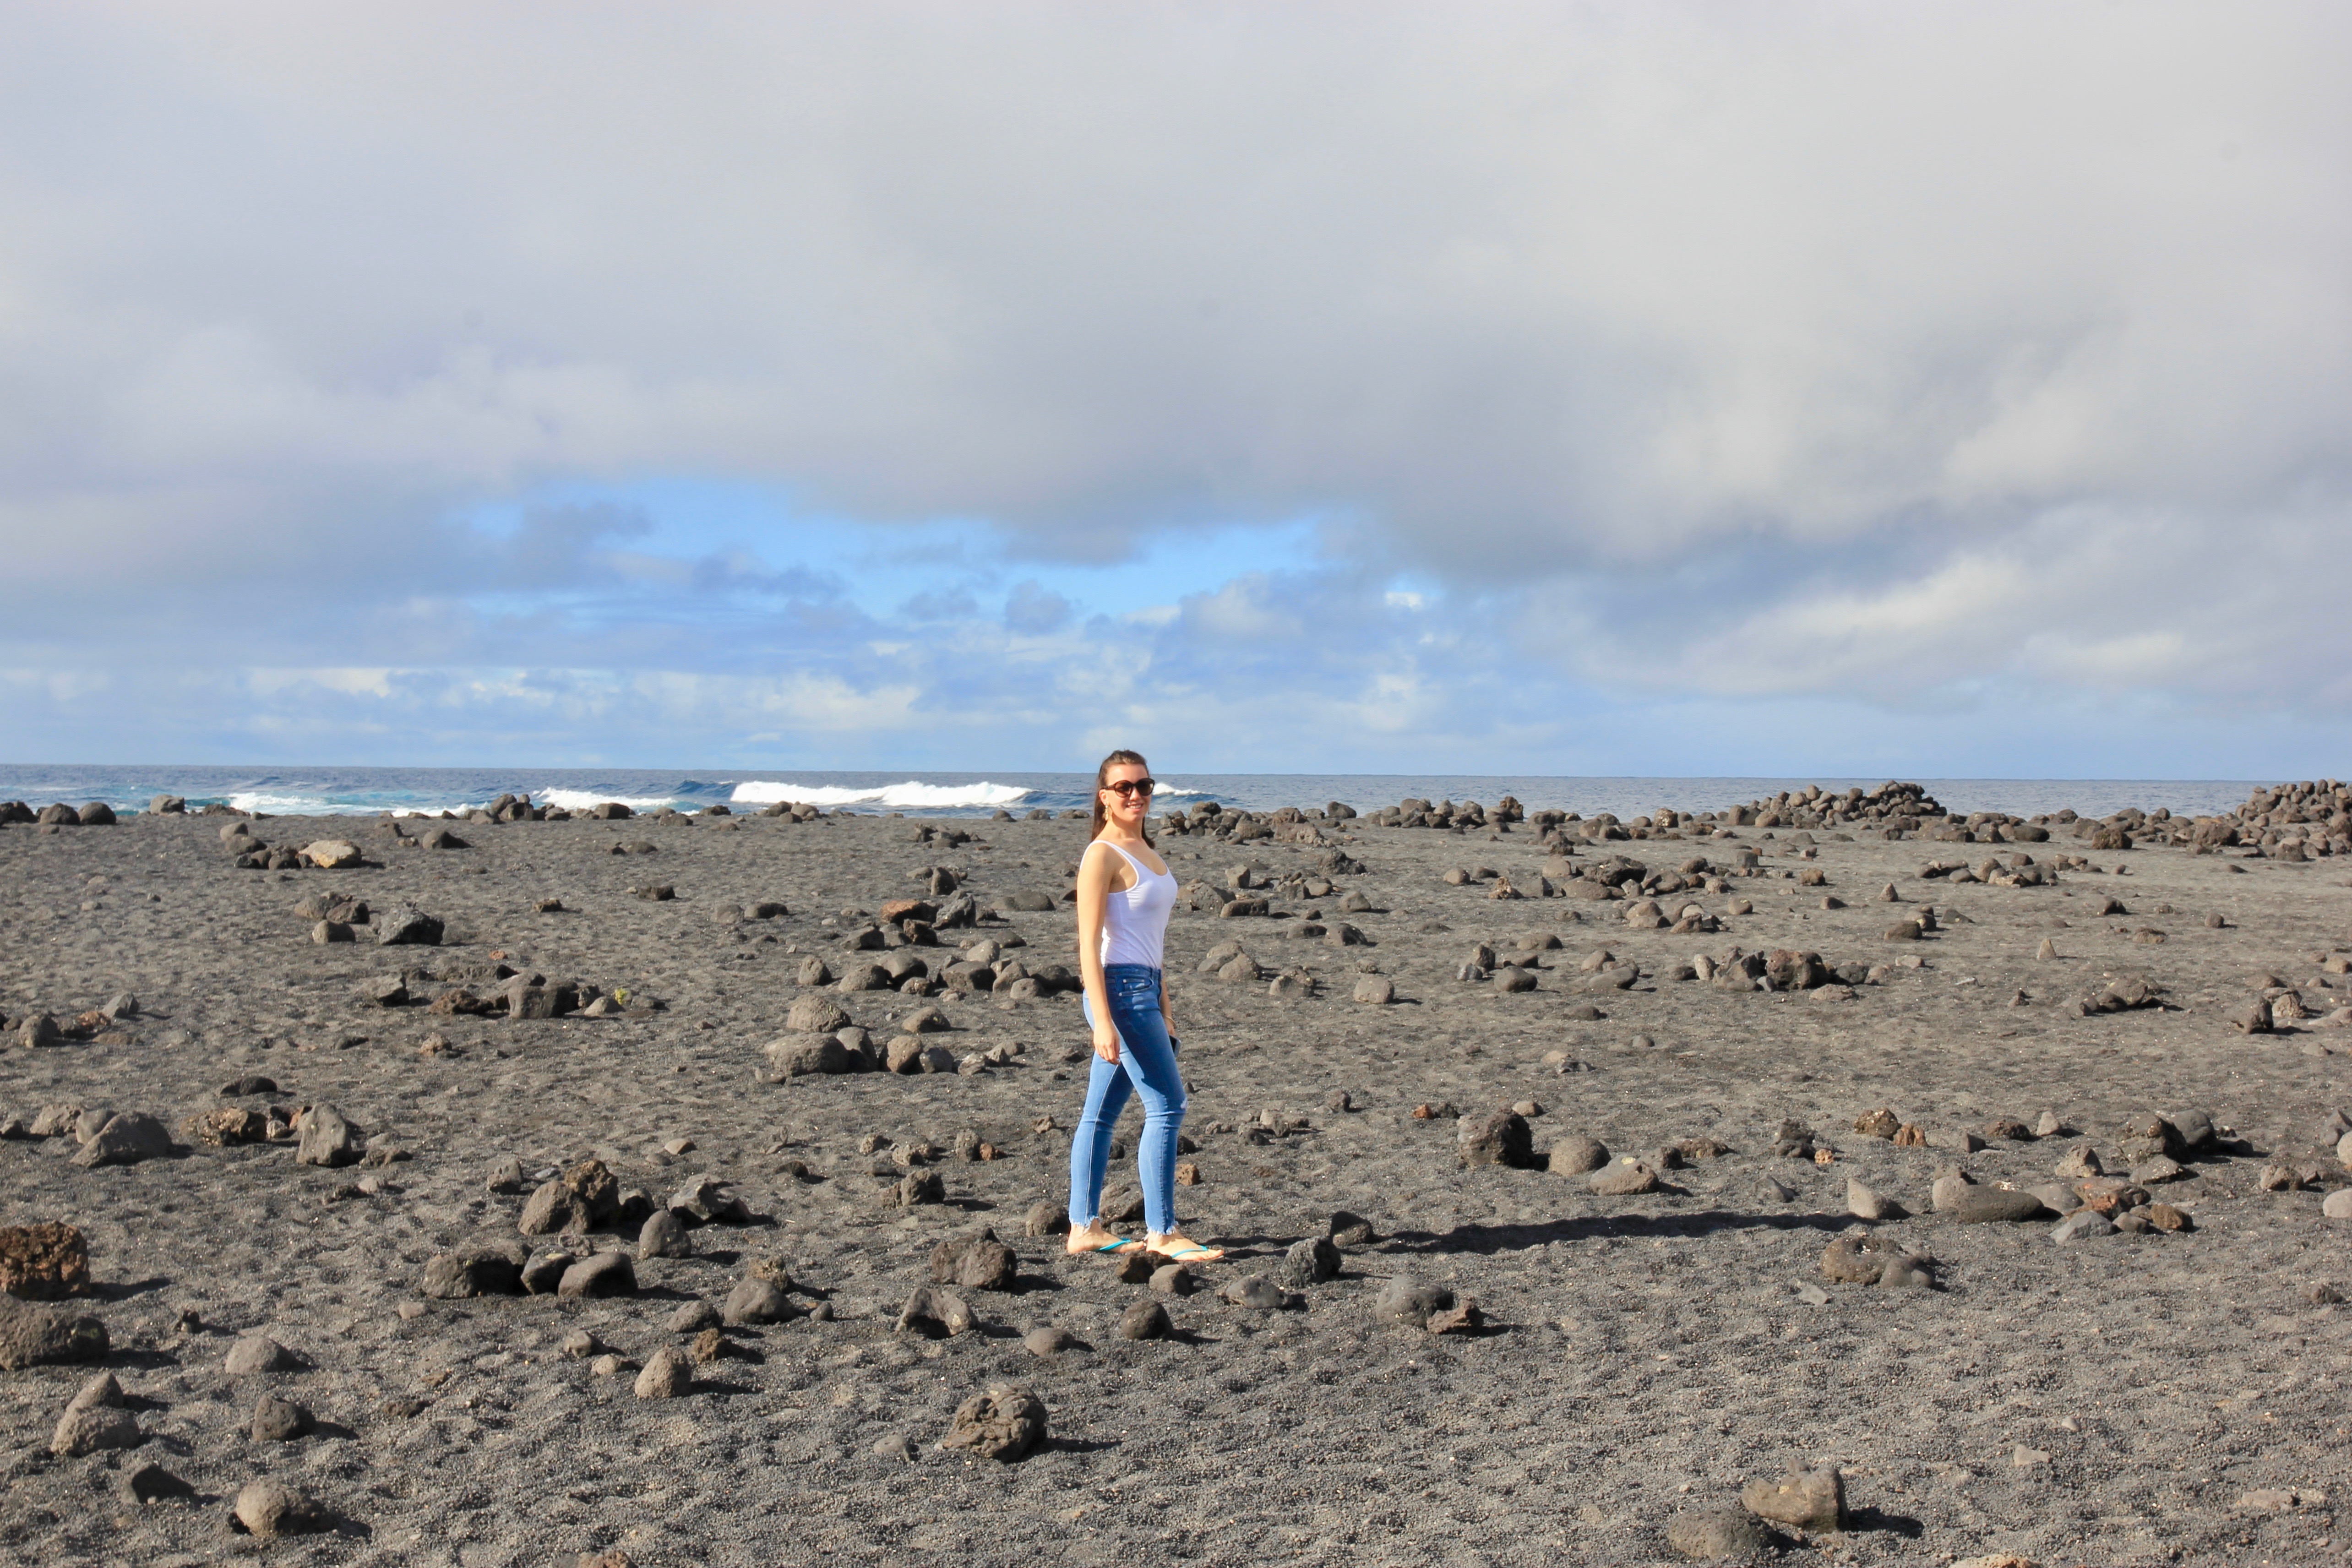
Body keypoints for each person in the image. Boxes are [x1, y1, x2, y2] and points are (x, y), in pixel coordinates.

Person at [1064, 749, 1223, 1263]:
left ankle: (1082, 1226)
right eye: (1125, 787)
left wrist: (1167, 1003)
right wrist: (1102, 1020)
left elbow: (1152, 942)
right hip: (1119, 994)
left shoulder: (1147, 850)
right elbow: (1088, 945)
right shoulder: (1102, 854)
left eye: (1145, 786)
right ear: (1105, 796)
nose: (1136, 795)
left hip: (1147, 989)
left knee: (1100, 1116)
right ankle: (1162, 1232)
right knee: (1169, 1104)